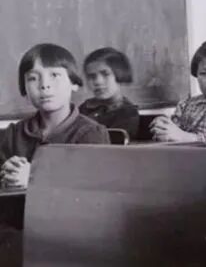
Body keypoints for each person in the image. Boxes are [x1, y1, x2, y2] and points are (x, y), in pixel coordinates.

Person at [0, 43, 110, 189]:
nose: (44, 85)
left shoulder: (91, 134)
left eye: (54, 75)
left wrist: (34, 178)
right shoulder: (13, 134)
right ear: (24, 89)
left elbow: (94, 189)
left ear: (74, 83)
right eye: (33, 78)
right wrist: (5, 175)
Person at [79, 47, 139, 139]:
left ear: (119, 74)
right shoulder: (85, 107)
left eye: (105, 74)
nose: (98, 82)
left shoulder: (127, 113)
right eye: (91, 76)